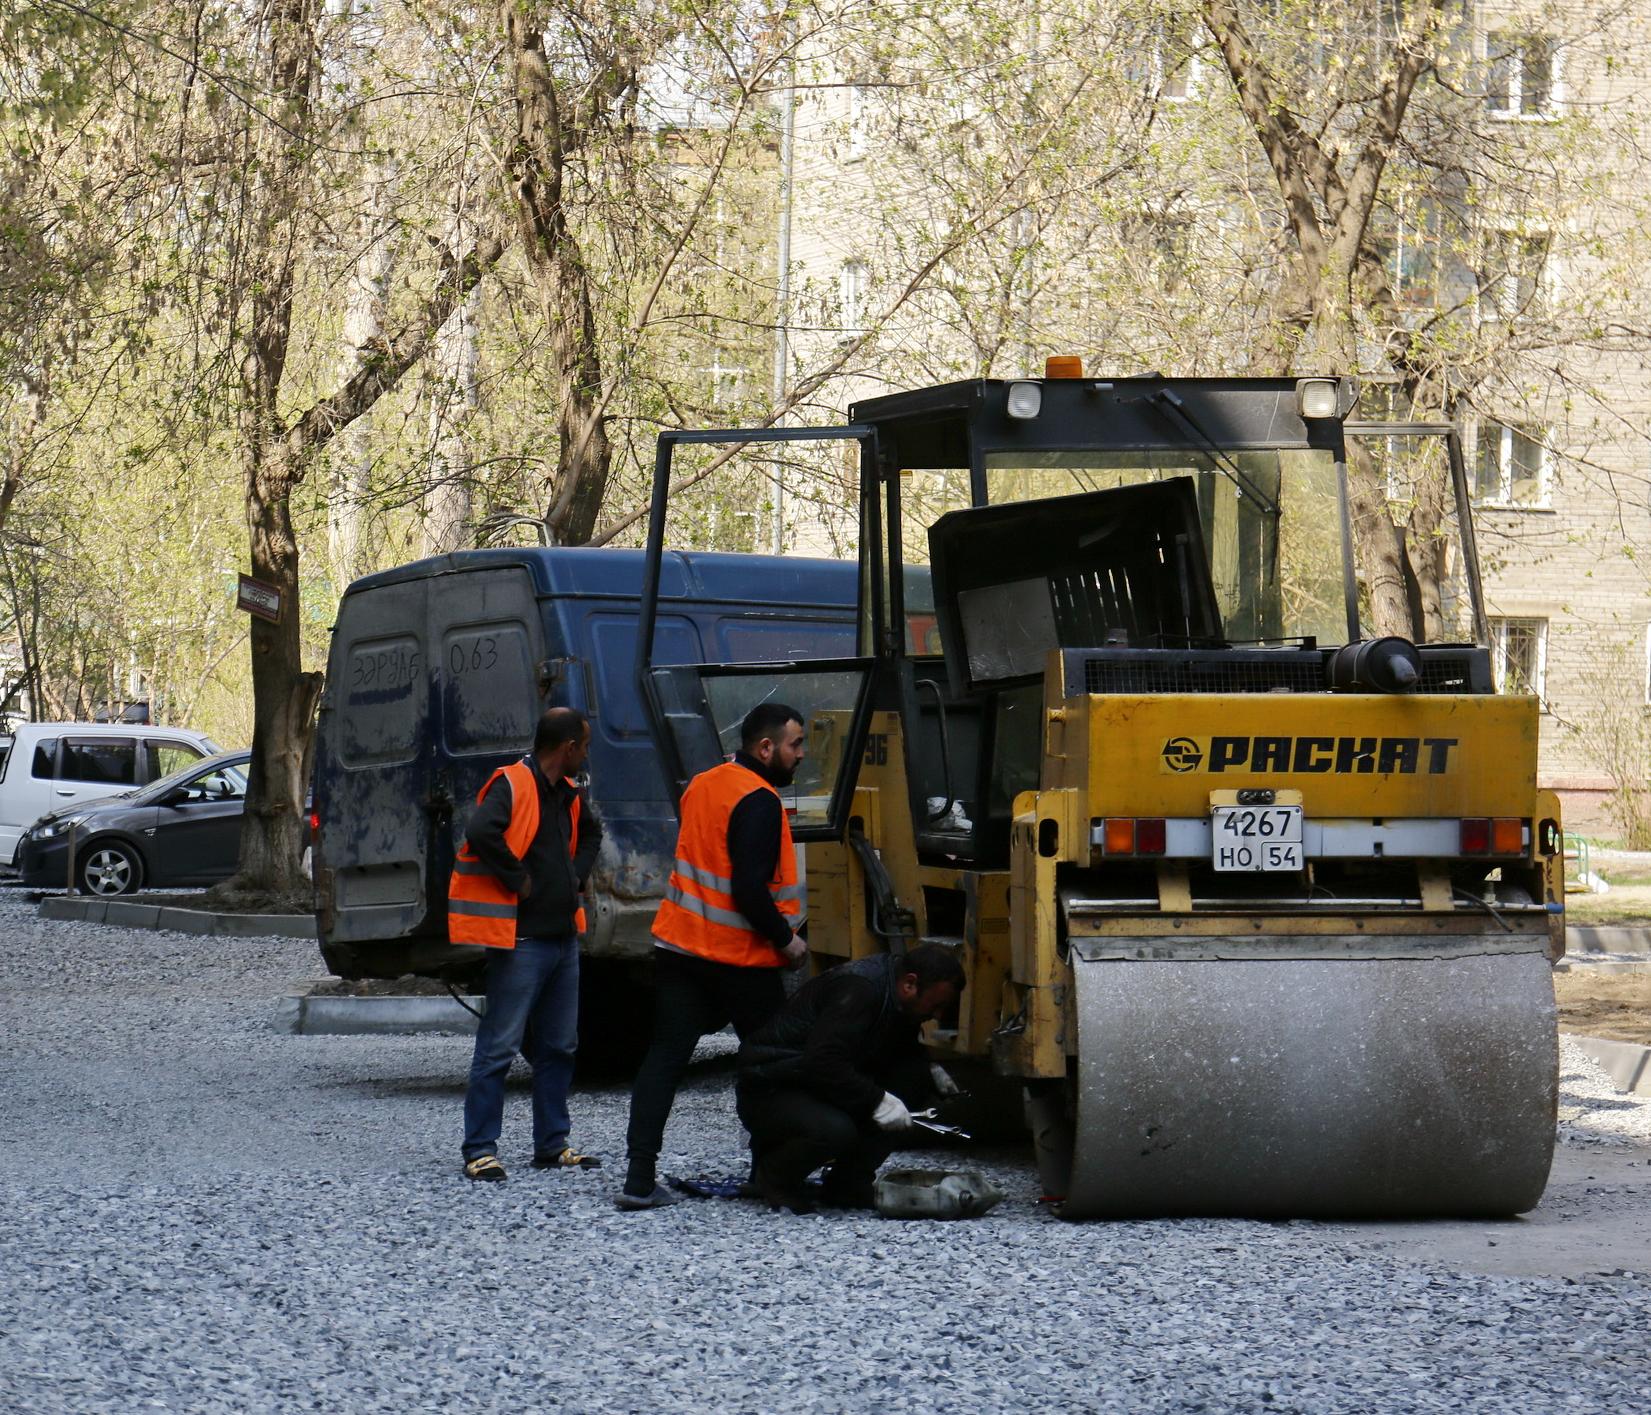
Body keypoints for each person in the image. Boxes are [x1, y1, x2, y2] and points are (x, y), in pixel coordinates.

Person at [615, 702, 810, 1211]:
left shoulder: (703, 783)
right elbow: (748, 888)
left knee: (664, 1058)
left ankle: (638, 1179)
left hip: (680, 949)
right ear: (765, 748)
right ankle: (770, 1174)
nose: (801, 755)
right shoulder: (762, 801)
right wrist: (787, 942)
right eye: (795, 745)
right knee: (770, 1065)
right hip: (739, 958)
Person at [452, 707, 603, 1182]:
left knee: (559, 1046)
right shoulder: (514, 784)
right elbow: (479, 831)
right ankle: (479, 1149)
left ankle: (551, 1144)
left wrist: (574, 874)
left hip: (561, 940)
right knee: (499, 1046)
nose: (586, 753)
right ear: (567, 748)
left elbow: (593, 834)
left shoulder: (568, 794)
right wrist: (518, 880)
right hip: (521, 940)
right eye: (584, 745)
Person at [735, 943, 966, 1213]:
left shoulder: (899, 995)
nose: (937, 1015)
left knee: (913, 1079)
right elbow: (822, 1062)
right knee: (835, 1130)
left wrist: (931, 1070)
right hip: (772, 1087)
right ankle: (774, 1176)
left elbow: (900, 1047)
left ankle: (847, 1184)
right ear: (910, 984)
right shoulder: (860, 990)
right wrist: (877, 1100)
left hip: (813, 1081)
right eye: (937, 1005)